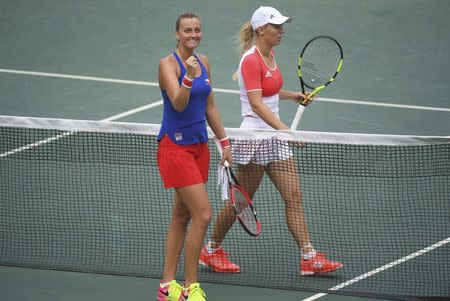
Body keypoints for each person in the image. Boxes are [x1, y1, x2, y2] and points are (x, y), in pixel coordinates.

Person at [199, 6, 343, 276]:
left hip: (275, 139)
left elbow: (269, 92)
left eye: (281, 25)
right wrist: (287, 132)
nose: (281, 31)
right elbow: (255, 104)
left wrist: (292, 96)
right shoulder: (251, 60)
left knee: (294, 196)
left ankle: (309, 256)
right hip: (256, 138)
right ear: (261, 29)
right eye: (276, 26)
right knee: (241, 202)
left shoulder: (270, 54)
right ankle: (211, 250)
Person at [156, 12, 232, 301]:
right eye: (187, 30)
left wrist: (223, 142)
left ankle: (166, 287)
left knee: (180, 217)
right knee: (203, 214)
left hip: (199, 147)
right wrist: (188, 75)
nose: (194, 35)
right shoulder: (167, 65)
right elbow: (178, 103)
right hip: (175, 149)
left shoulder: (205, 61)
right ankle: (190, 287)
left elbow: (209, 106)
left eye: (198, 30)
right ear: (177, 33)